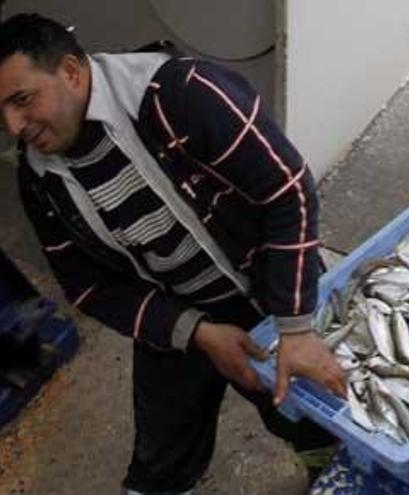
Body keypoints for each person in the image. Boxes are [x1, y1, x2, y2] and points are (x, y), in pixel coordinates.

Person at [0, 13, 346, 494]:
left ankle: (325, 468)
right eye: (2, 111)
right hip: (173, 308)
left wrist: (295, 325)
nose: (13, 125)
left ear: (72, 73)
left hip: (262, 285)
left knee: (305, 412)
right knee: (160, 461)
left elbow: (288, 192)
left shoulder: (180, 93)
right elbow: (87, 286)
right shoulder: (38, 175)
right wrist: (197, 332)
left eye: (22, 99)